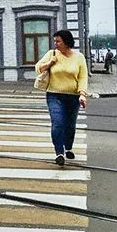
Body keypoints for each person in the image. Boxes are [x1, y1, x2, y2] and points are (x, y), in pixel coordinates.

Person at [35, 29, 88, 166]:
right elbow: (38, 68)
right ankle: (59, 152)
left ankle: (68, 147)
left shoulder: (79, 57)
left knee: (70, 125)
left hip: (73, 96)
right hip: (54, 95)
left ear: (66, 42)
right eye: (55, 41)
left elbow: (82, 77)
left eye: (58, 41)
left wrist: (82, 94)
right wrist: (50, 63)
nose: (56, 43)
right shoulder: (52, 54)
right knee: (58, 123)